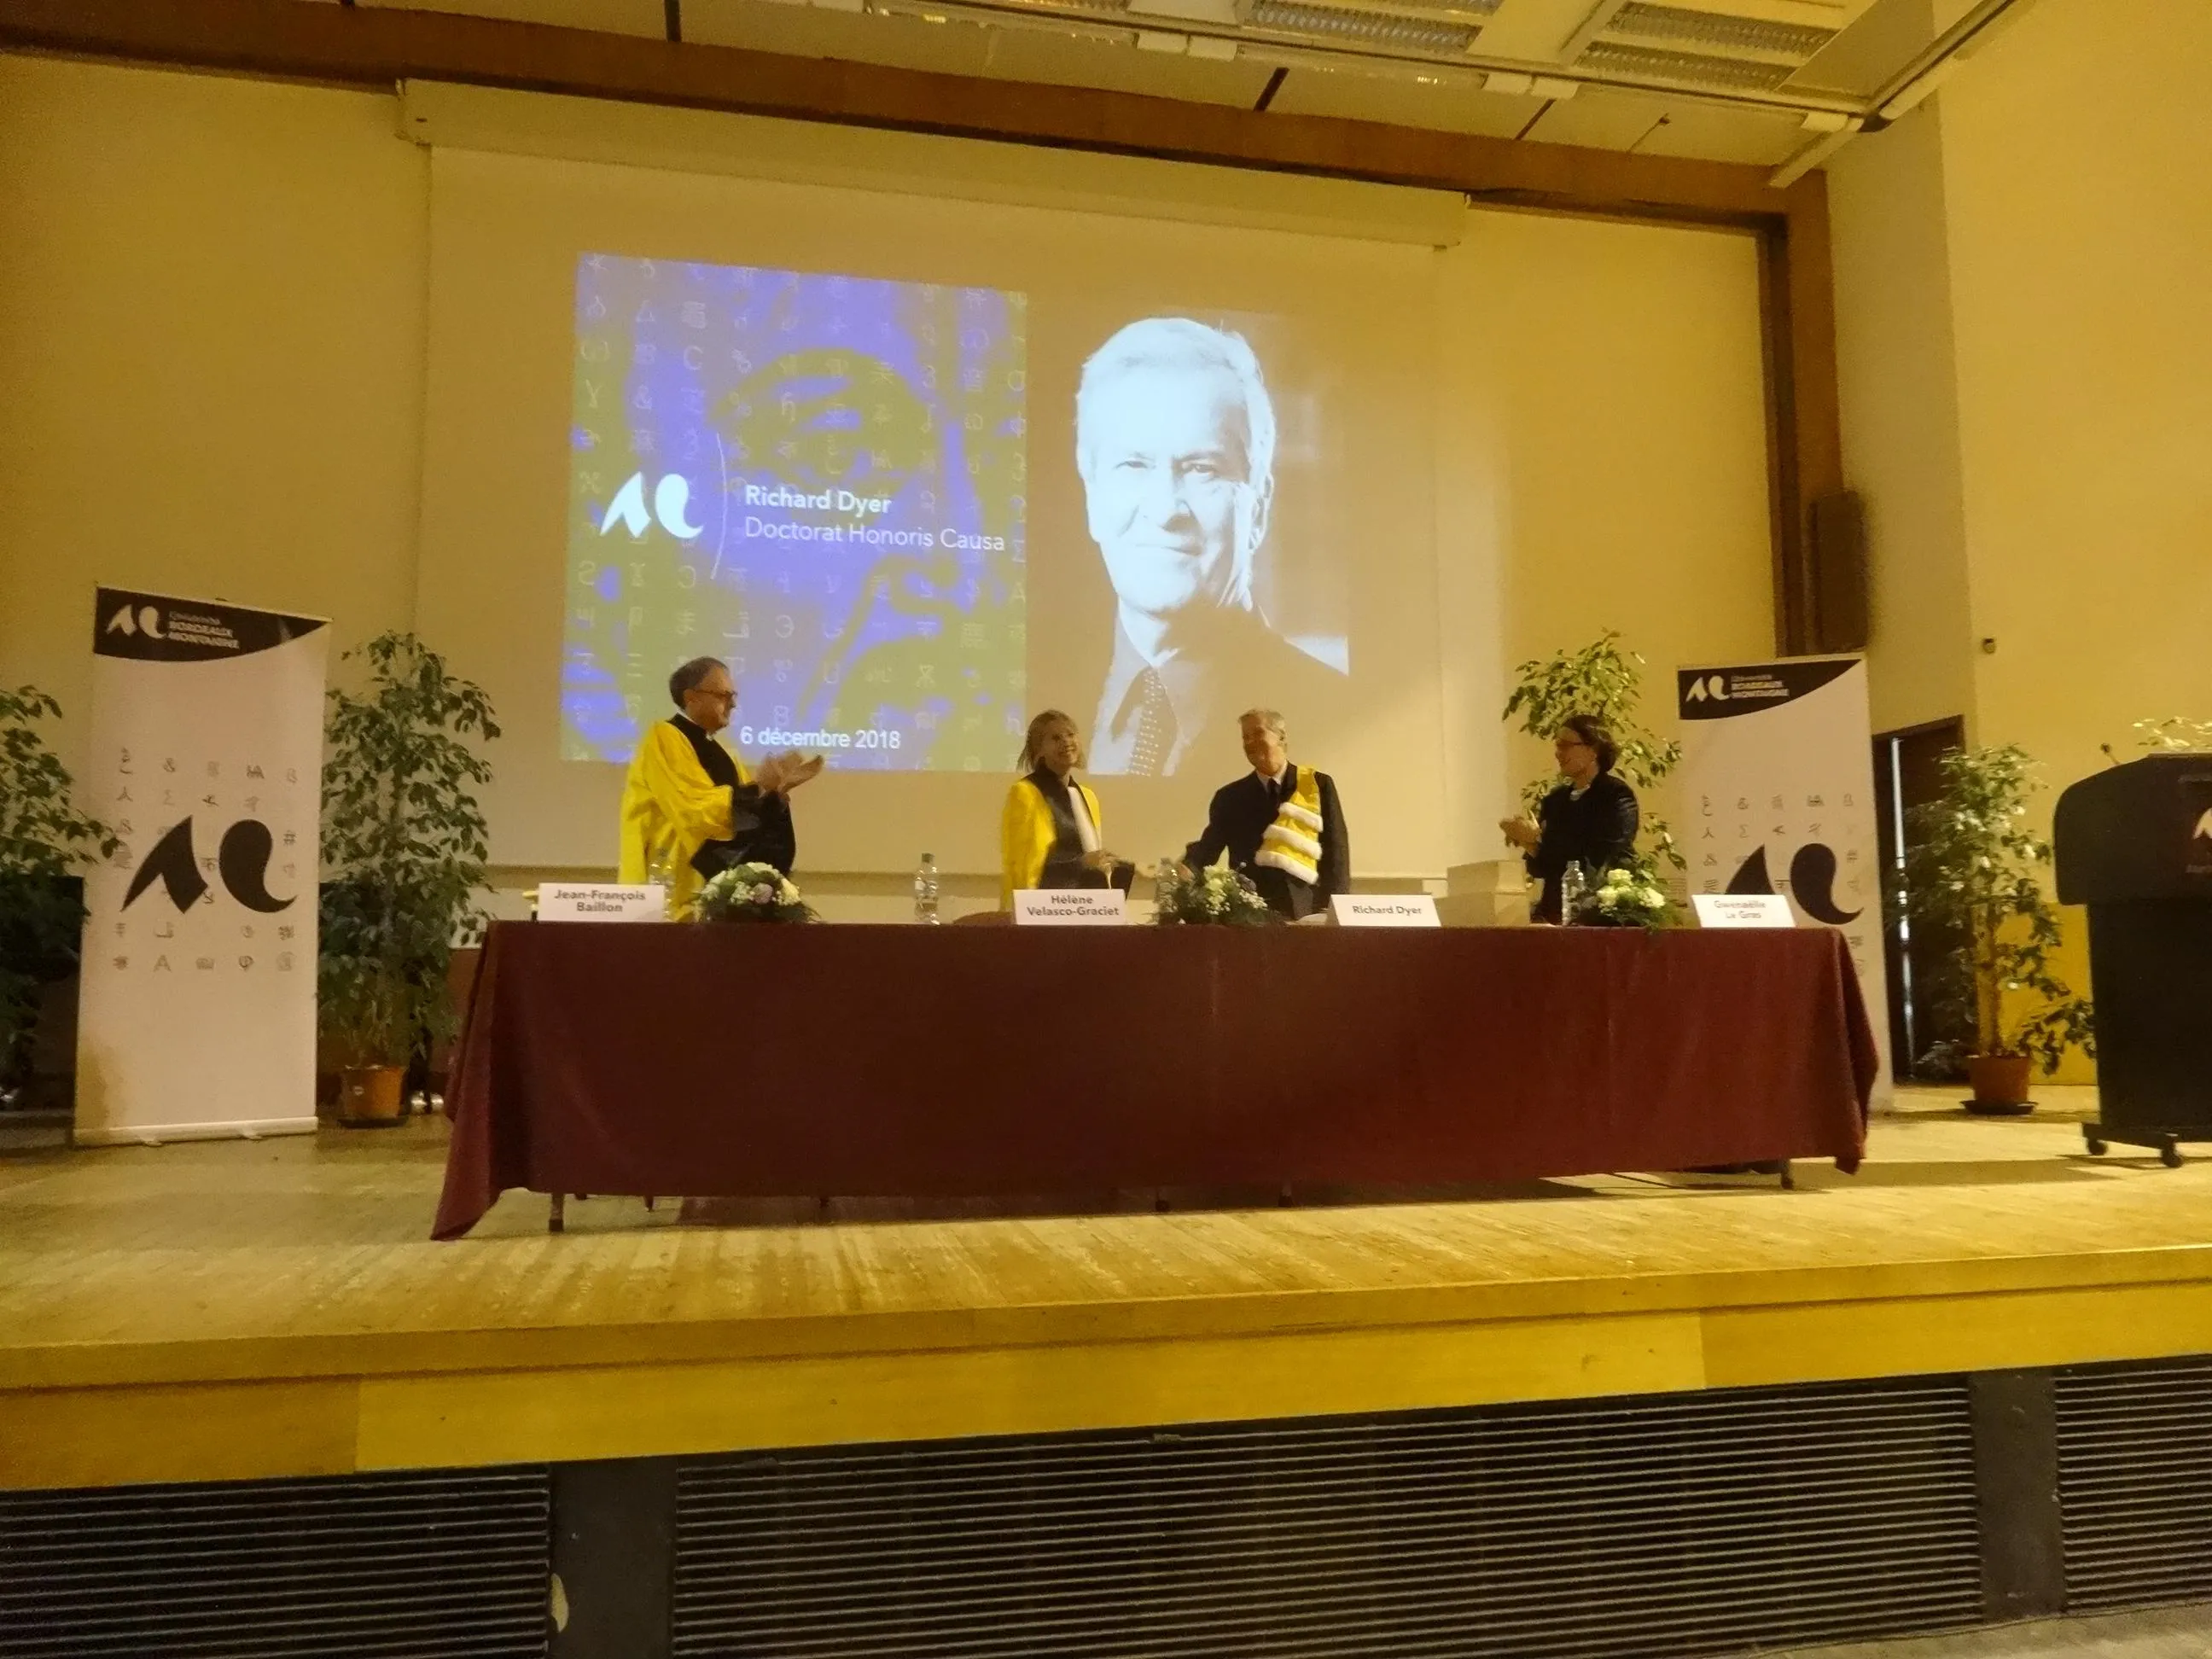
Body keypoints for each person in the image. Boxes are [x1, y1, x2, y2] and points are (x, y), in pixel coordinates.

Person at [1075, 317, 1345, 777]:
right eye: (1134, 464)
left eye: (1201, 468)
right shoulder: (1041, 693)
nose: (1164, 510)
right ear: (1092, 495)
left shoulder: (1335, 711)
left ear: (1258, 507)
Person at [618, 656, 822, 912]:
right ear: (691, 697)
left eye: (733, 695)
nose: (733, 704)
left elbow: (746, 819)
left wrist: (776, 793)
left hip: (716, 891)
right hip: (672, 887)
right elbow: (693, 808)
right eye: (724, 695)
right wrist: (758, 788)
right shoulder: (664, 737)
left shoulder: (726, 753)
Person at [1182, 708, 1349, 921]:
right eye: (1245, 737)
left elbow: (1337, 851)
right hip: (1249, 917)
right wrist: (1186, 869)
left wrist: (1337, 910)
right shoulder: (1230, 797)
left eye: (1258, 733)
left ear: (1281, 737)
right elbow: (1208, 848)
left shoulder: (1317, 785)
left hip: (1310, 913)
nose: (1251, 742)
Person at [1499, 715, 1639, 923]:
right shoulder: (1555, 800)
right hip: (1554, 910)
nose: (1558, 753)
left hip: (1599, 913)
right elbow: (1539, 868)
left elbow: (1601, 857)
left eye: (1565, 746)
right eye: (1557, 746)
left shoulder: (1616, 795)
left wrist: (1537, 839)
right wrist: (1528, 843)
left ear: (1593, 750)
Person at [999, 709, 1130, 908]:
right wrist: (1081, 864)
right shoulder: (1025, 793)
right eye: (1056, 738)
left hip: (1085, 908)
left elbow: (1090, 854)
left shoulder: (1087, 796)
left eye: (1071, 735)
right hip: (1040, 911)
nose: (1066, 742)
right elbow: (1024, 869)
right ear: (1039, 748)